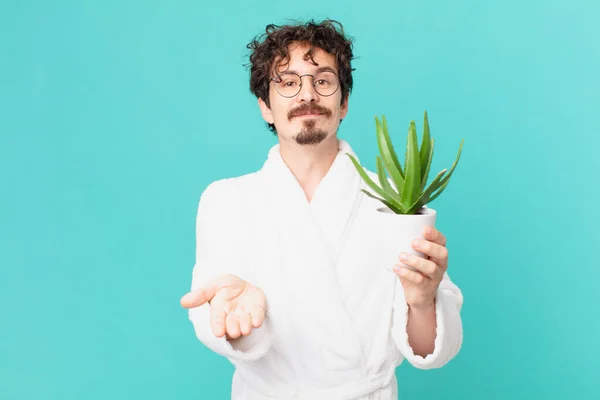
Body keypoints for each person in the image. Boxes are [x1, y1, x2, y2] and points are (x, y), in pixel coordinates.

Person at [180, 19, 463, 399]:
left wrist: (423, 299)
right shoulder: (225, 201)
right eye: (288, 82)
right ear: (266, 106)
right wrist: (238, 316)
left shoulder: (397, 201)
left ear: (343, 102)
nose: (307, 95)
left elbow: (430, 349)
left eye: (323, 81)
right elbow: (212, 316)